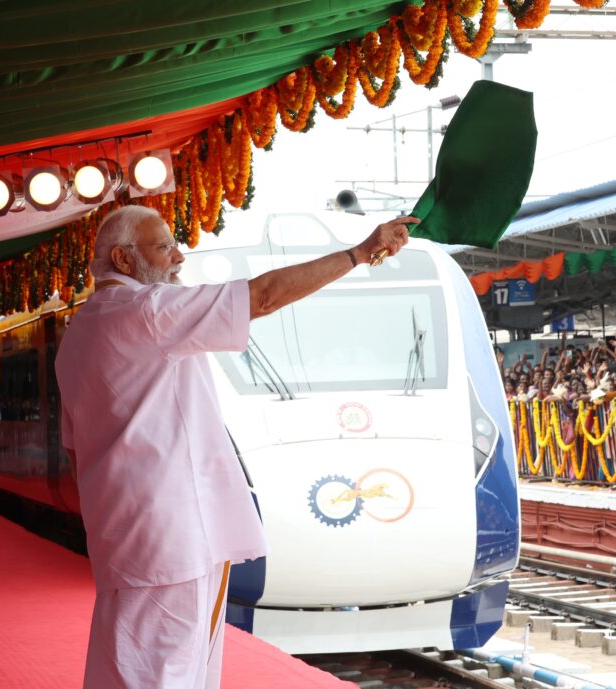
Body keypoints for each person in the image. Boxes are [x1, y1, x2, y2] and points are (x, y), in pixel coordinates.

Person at [54, 205, 414, 689]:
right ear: (122, 258)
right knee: (167, 672)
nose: (178, 258)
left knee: (127, 663)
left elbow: (75, 451)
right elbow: (262, 297)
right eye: (163, 247)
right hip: (174, 538)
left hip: (126, 534)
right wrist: (359, 252)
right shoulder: (147, 311)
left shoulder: (77, 335)